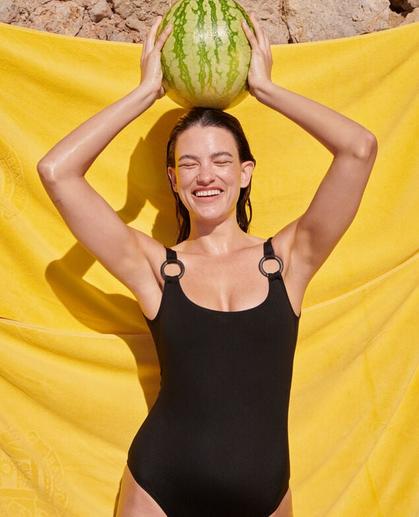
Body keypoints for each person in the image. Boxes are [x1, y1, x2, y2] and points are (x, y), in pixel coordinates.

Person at [37, 11, 378, 517]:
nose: (205, 175)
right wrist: (145, 93)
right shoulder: (155, 268)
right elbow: (57, 172)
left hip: (266, 494)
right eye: (189, 163)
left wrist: (265, 89)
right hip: (159, 487)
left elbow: (359, 148)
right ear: (173, 180)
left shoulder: (287, 260)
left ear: (246, 173)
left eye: (221, 160)